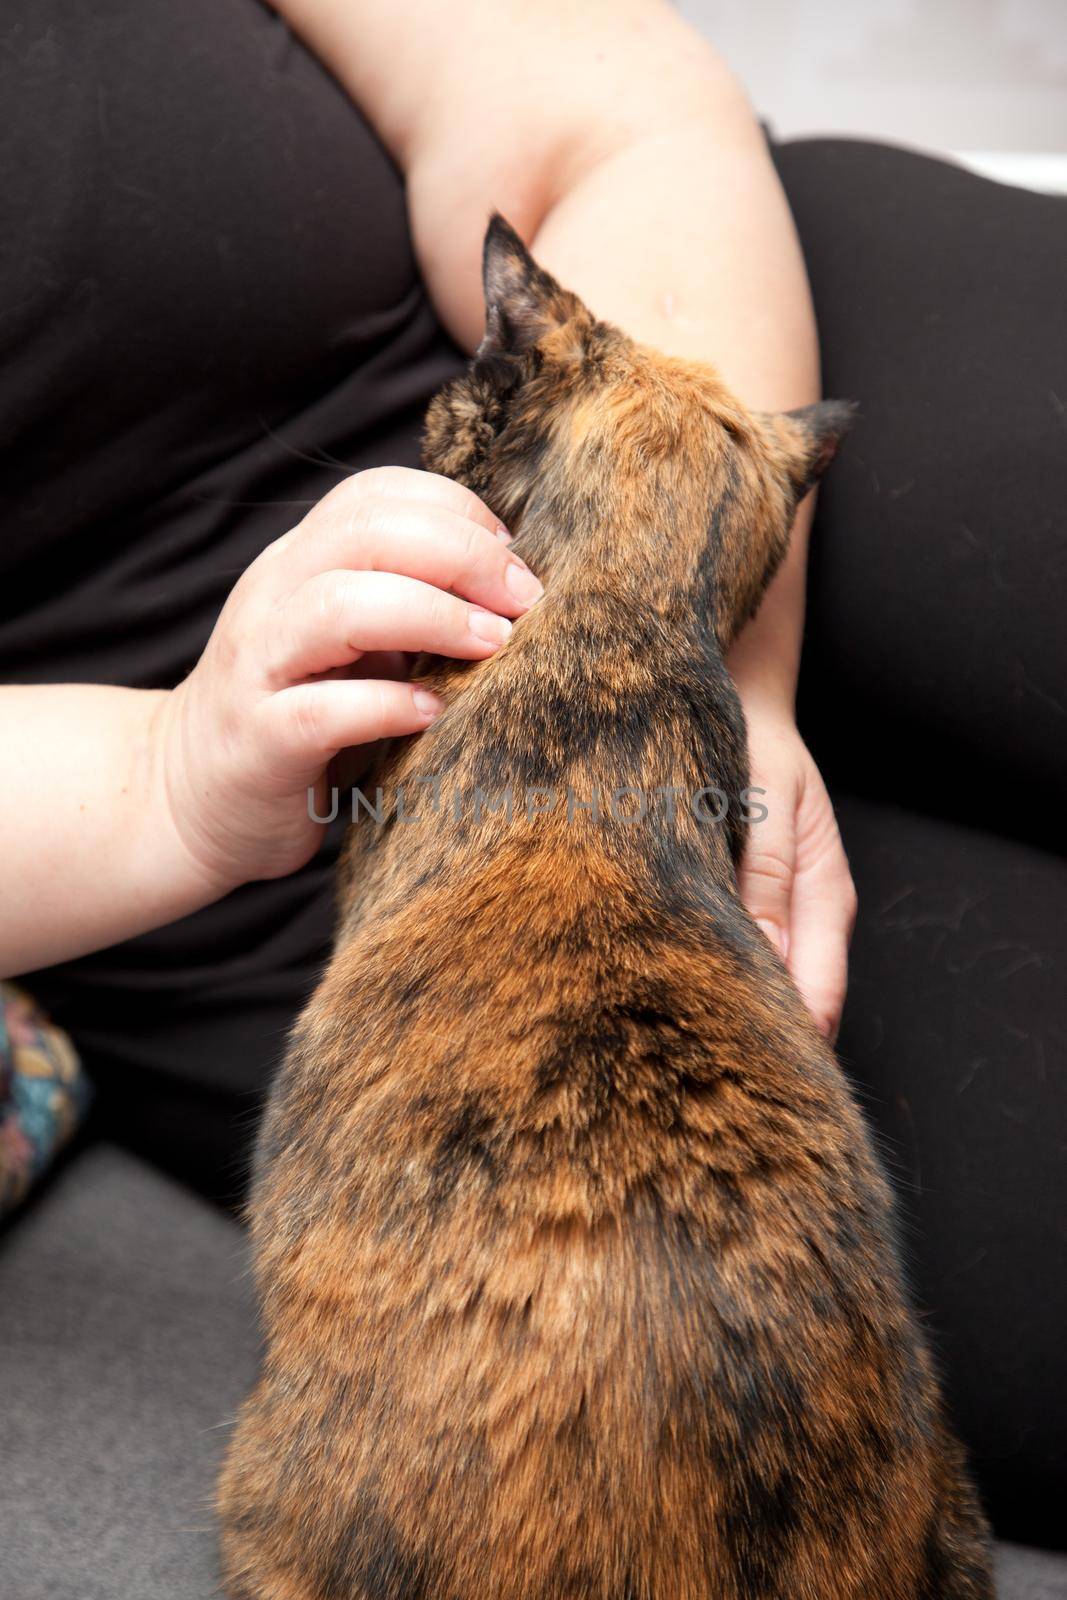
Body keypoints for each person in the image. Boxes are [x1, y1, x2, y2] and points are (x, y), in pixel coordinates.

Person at [0, 0, 1062, 1556]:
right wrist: (170, 775)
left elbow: (604, 103)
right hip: (336, 870)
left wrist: (719, 654)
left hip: (706, 351)